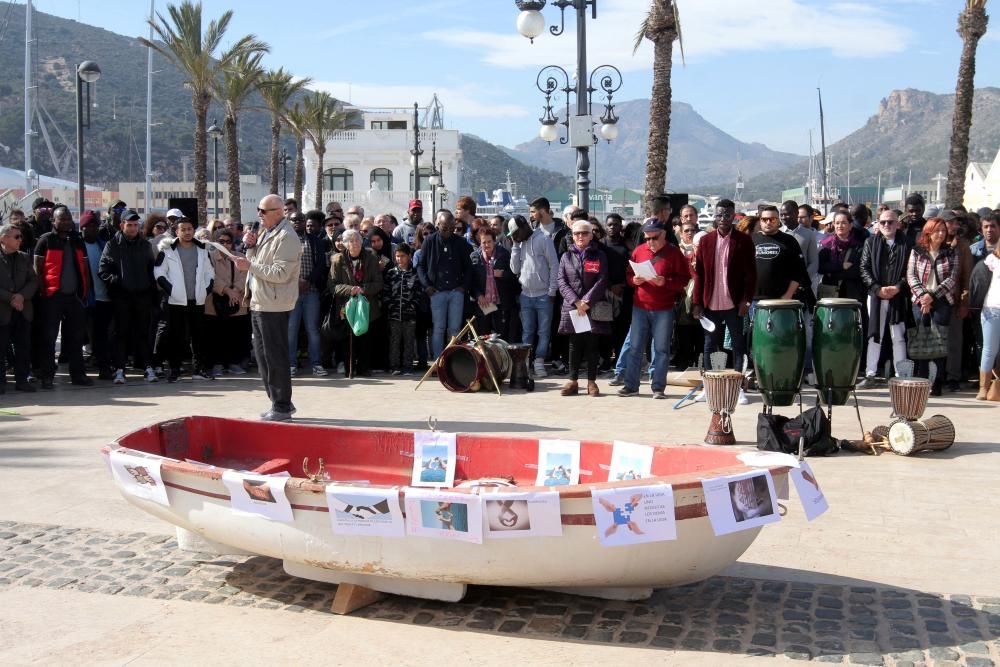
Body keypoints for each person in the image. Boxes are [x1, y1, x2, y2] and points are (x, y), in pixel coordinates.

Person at [235, 194, 302, 421]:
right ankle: (277, 402)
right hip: (260, 301)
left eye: (263, 211)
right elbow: (258, 264)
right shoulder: (267, 233)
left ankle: (282, 406)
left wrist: (250, 264)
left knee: (275, 356)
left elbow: (281, 274)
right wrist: (251, 248)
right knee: (263, 356)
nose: (259, 215)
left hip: (274, 304)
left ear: (278, 211)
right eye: (258, 210)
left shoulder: (287, 237)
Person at [618, 219, 690, 399]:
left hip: (663, 308)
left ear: (663, 234)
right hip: (640, 307)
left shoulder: (674, 253)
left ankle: (658, 388)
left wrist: (666, 282)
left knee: (661, 349)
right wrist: (633, 281)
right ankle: (630, 385)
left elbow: (684, 279)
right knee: (634, 347)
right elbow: (628, 274)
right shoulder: (638, 251)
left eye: (654, 238)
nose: (650, 242)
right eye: (647, 238)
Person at [692, 199, 755, 403]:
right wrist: (697, 302)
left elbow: (751, 275)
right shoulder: (706, 241)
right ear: (714, 217)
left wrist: (746, 301)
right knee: (710, 345)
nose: (723, 219)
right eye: (719, 215)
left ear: (733, 215)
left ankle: (738, 388)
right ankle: (710, 386)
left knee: (738, 345)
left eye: (727, 215)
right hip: (710, 303)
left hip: (734, 304)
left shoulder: (743, 241)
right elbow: (699, 274)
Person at [33, 205, 93, 389]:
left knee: (75, 338)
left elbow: (85, 269)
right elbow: (37, 270)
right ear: (54, 221)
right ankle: (47, 376)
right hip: (52, 298)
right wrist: (44, 294)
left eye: (68, 219)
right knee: (49, 338)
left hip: (74, 297)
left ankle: (78, 375)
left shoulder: (77, 240)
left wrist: (84, 293)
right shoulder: (45, 240)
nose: (67, 222)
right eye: (62, 219)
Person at [98, 209, 157, 384]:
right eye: (129, 225)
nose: (133, 229)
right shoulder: (112, 245)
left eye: (135, 225)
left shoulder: (145, 245)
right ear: (122, 225)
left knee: (143, 333)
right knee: (120, 334)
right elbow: (103, 270)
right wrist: (118, 282)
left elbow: (151, 269)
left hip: (142, 296)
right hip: (121, 297)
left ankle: (147, 367)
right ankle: (119, 369)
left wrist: (150, 292)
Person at [153, 217, 215, 383]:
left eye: (190, 229)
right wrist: (172, 290)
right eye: (183, 229)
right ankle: (175, 370)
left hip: (198, 300)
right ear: (176, 231)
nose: (187, 232)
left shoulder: (203, 249)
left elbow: (210, 272)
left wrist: (205, 290)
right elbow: (159, 272)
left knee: (199, 337)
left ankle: (199, 370)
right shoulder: (167, 249)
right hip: (176, 301)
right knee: (176, 337)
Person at [858, 209, 913, 387]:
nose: (887, 225)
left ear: (898, 224)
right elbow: (864, 268)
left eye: (890, 222)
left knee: (898, 335)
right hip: (876, 296)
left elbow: (909, 272)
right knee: (875, 335)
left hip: (898, 296)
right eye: (883, 222)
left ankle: (901, 374)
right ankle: (871, 374)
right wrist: (877, 288)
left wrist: (898, 287)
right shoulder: (870, 242)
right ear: (878, 224)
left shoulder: (907, 244)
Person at [557, 220, 610, 397]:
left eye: (584, 233)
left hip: (592, 306)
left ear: (591, 235)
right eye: (576, 233)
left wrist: (587, 301)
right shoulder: (566, 256)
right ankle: (573, 381)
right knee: (574, 345)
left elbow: (602, 280)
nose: (580, 236)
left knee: (592, 345)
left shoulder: (599, 255)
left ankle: (591, 382)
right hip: (574, 307)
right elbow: (561, 281)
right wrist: (576, 301)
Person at [907, 217, 956, 396]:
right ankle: (921, 381)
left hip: (942, 301)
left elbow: (952, 278)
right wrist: (923, 296)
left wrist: (932, 297)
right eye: (937, 230)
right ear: (928, 232)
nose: (941, 234)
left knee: (938, 342)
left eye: (943, 230)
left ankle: (937, 383)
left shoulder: (950, 252)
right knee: (921, 339)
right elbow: (911, 276)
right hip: (919, 300)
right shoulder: (917, 251)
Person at [416, 209, 472, 359]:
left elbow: (468, 268)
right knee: (438, 328)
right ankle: (437, 361)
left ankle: (452, 362)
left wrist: (463, 287)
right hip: (437, 291)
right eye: (445, 227)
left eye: (451, 228)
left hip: (456, 292)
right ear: (438, 225)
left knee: (454, 329)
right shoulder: (429, 241)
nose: (448, 231)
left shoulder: (461, 243)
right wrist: (427, 286)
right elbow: (420, 266)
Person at [509, 213, 559, 377]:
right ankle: (526, 361)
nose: (515, 237)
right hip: (526, 295)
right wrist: (515, 246)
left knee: (543, 332)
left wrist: (552, 290)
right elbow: (514, 269)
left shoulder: (544, 239)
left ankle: (539, 361)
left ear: (524, 227)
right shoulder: (520, 243)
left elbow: (554, 266)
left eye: (516, 233)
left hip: (544, 294)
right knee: (527, 331)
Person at [329, 229, 383, 377]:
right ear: (345, 244)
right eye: (351, 241)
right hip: (346, 305)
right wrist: (350, 289)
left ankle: (364, 368)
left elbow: (378, 283)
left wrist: (362, 289)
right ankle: (349, 368)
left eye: (358, 240)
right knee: (347, 339)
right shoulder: (337, 260)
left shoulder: (371, 258)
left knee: (365, 337)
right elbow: (332, 285)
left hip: (366, 304)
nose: (355, 243)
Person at [287, 211, 328, 377]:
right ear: (289, 222)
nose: (297, 222)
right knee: (291, 329)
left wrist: (308, 281)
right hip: (291, 292)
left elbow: (320, 266)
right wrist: (295, 282)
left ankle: (316, 364)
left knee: (313, 329)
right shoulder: (285, 241)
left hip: (311, 291)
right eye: (293, 220)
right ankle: (291, 364)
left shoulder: (315, 241)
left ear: (305, 222)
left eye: (300, 219)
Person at [203, 229, 249, 376]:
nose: (225, 245)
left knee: (235, 334)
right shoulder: (209, 258)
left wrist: (235, 290)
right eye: (221, 242)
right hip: (215, 302)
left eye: (228, 242)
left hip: (237, 302)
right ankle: (217, 363)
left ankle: (233, 363)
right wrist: (226, 290)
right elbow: (211, 276)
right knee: (217, 334)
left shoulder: (240, 257)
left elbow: (246, 275)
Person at [0, 223, 38, 393]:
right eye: (16, 237)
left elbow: (34, 280)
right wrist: (11, 298)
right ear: (3, 239)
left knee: (23, 347)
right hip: (3, 311)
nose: (20, 240)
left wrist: (22, 296)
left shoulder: (24, 257)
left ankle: (22, 380)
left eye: (20, 236)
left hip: (23, 310)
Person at [80, 211, 114, 381]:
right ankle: (79, 371)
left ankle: (104, 367)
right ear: (82, 227)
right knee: (80, 335)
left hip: (104, 298)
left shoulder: (105, 245)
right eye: (88, 226)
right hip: (84, 298)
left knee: (102, 335)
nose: (93, 229)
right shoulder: (76, 246)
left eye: (95, 225)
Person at [943, 211, 974, 391]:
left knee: (954, 340)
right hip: (936, 300)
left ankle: (953, 376)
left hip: (955, 300)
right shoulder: (934, 242)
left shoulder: (963, 245)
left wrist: (964, 302)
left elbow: (967, 276)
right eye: (951, 223)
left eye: (956, 223)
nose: (955, 226)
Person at [470, 227, 517, 340]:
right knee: (483, 335)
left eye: (489, 241)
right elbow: (470, 281)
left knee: (501, 336)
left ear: (494, 241)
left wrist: (502, 274)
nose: (487, 245)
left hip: (501, 301)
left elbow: (513, 275)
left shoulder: (504, 254)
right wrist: (478, 295)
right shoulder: (474, 257)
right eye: (483, 242)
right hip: (484, 303)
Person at [384, 243, 422, 375]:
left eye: (402, 256)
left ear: (409, 256)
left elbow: (418, 292)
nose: (399, 259)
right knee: (394, 340)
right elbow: (386, 291)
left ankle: (408, 367)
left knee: (409, 341)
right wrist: (389, 304)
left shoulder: (415, 273)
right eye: (397, 256)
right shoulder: (391, 273)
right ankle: (394, 366)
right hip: (394, 314)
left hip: (410, 315)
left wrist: (414, 304)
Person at [818, 211, 867, 309]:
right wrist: (841, 266)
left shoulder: (858, 247)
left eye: (844, 223)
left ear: (850, 225)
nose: (840, 226)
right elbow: (821, 267)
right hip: (830, 292)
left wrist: (831, 272)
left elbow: (856, 271)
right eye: (837, 223)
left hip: (852, 293)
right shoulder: (826, 245)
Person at [976, 236, 1000, 399]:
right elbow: (980, 279)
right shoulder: (992, 259)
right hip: (993, 308)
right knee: (989, 350)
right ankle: (983, 388)